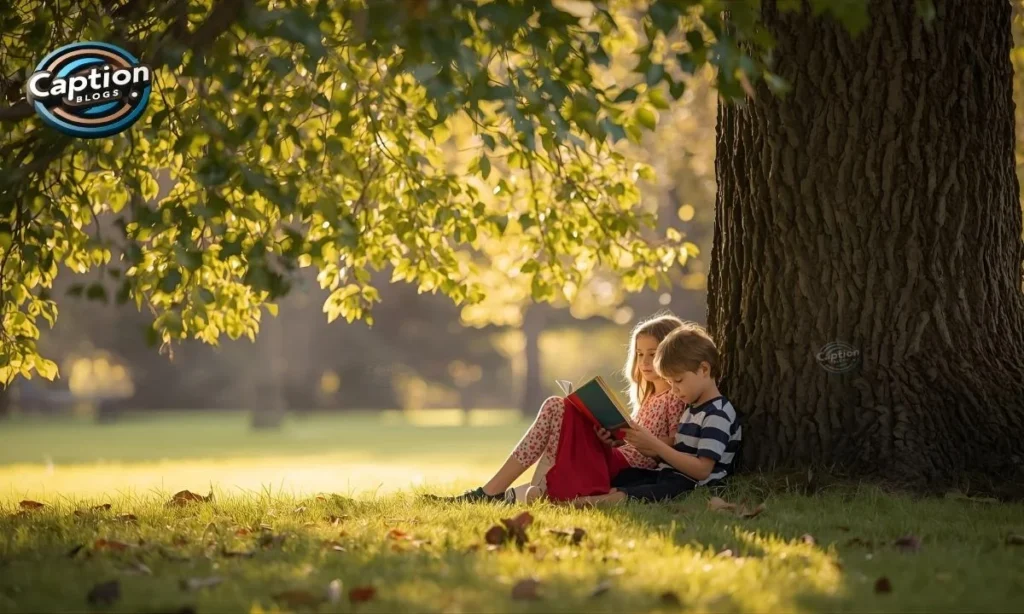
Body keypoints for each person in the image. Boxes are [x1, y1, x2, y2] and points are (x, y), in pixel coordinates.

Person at [426, 313, 688, 503]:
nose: (645, 361)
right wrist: (609, 438)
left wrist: (642, 440)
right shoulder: (647, 398)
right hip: (615, 458)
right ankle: (496, 492)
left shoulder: (675, 397)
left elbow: (677, 444)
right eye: (640, 354)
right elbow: (629, 443)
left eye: (653, 354)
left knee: (554, 406)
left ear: (672, 355)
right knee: (560, 406)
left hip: (630, 471)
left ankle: (491, 493)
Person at [572, 323, 742, 505]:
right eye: (669, 382)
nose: (674, 390)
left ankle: (597, 502)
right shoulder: (692, 408)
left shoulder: (718, 413)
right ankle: (587, 492)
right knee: (625, 476)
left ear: (704, 369)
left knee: (655, 489)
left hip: (693, 483)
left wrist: (655, 444)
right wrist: (645, 447)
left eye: (678, 380)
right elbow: (676, 455)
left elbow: (702, 470)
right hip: (669, 473)